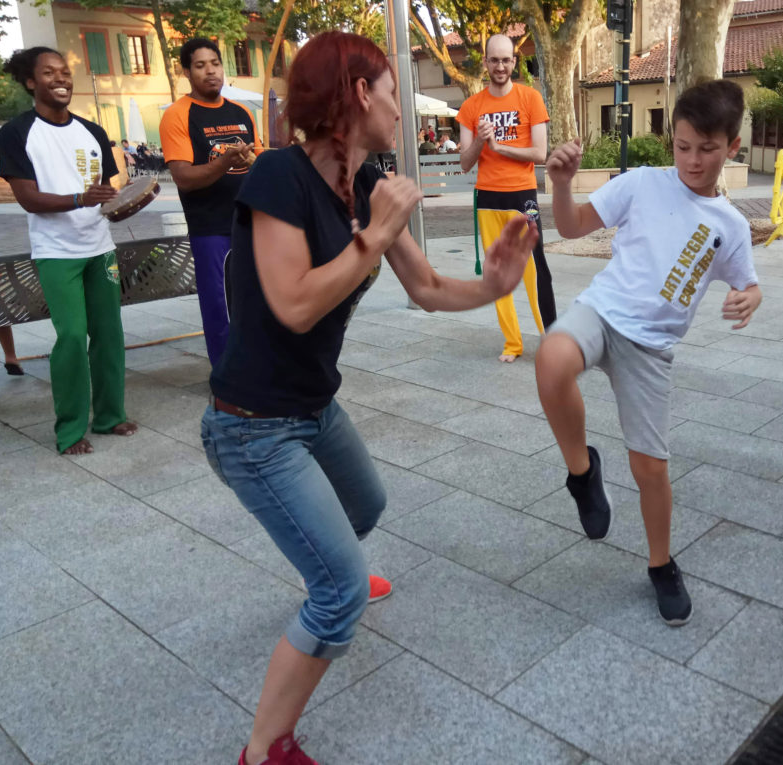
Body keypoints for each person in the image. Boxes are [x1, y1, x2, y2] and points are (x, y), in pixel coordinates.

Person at [200, 31, 537, 765]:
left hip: (313, 408)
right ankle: (264, 747)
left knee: (366, 509)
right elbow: (292, 304)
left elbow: (424, 286)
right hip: (253, 425)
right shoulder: (277, 179)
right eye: (392, 90)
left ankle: (326, 561)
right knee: (341, 594)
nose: (402, 106)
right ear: (358, 94)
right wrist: (373, 236)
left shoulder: (366, 178)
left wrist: (492, 286)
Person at [538, 79, 761, 625]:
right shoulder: (641, 183)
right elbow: (569, 227)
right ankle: (583, 473)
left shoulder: (729, 225)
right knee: (551, 360)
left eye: (707, 149)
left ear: (733, 146)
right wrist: (562, 184)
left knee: (650, 469)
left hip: (653, 347)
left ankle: (661, 565)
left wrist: (748, 297)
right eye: (683, 146)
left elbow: (747, 282)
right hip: (603, 309)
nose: (693, 159)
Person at [0, 47, 137, 454]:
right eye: (49, 72)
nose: (61, 78)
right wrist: (80, 199)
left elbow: (106, 195)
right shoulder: (18, 132)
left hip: (100, 248)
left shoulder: (92, 131)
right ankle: (71, 429)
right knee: (73, 337)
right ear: (30, 82)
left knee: (109, 334)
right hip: (56, 252)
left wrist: (129, 201)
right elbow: (28, 198)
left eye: (65, 71)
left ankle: (110, 416)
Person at [159, 38, 259, 367]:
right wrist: (224, 163)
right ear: (186, 71)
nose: (210, 71)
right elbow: (184, 178)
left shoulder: (242, 111)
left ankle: (260, 366)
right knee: (219, 305)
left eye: (215, 63)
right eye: (200, 66)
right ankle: (227, 376)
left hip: (252, 221)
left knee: (257, 299)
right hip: (210, 226)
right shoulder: (177, 115)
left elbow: (256, 162)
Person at [458, 34, 554, 362]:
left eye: (506, 60)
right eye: (494, 60)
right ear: (485, 62)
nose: (500, 66)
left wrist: (500, 147)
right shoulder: (471, 106)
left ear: (515, 62)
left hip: (522, 194)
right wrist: (481, 143)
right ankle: (512, 344)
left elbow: (540, 153)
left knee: (535, 271)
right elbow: (465, 162)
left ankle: (552, 342)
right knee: (497, 272)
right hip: (487, 198)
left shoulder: (531, 99)